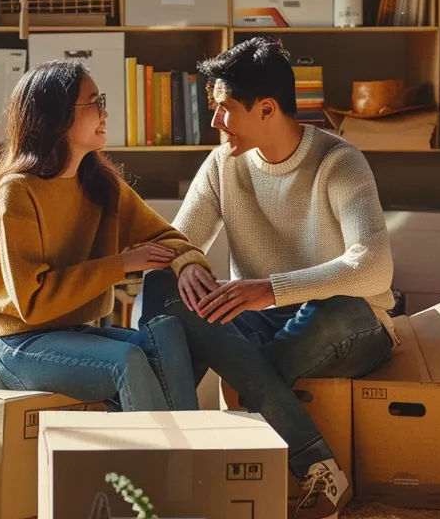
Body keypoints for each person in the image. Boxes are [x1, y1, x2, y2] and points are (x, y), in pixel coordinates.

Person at [136, 37, 396, 519]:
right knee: (162, 289)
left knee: (335, 309)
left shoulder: (339, 162)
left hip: (350, 325)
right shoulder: (222, 164)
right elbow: (174, 239)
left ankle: (190, 441)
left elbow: (374, 266)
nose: (215, 121)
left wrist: (271, 289)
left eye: (224, 108)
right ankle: (317, 466)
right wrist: (189, 262)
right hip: (262, 325)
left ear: (267, 109)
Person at [0, 59, 209, 412]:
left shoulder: (102, 185)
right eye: (95, 102)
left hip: (77, 334)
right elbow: (32, 303)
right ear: (58, 115)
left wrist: (188, 264)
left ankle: (185, 458)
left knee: (172, 340)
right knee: (127, 359)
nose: (105, 113)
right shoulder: (17, 191)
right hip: (23, 345)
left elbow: (166, 236)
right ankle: (166, 463)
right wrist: (121, 264)